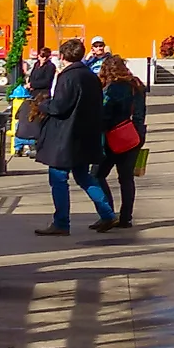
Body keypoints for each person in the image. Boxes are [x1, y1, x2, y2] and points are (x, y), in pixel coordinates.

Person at [33, 37, 116, 235]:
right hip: (85, 135)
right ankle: (107, 214)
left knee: (59, 178)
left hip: (65, 136)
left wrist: (43, 105)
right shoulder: (90, 76)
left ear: (62, 56)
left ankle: (61, 222)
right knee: (83, 176)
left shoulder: (68, 77)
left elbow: (60, 106)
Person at [96, 54, 149, 229]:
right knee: (126, 178)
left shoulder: (112, 88)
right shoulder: (137, 85)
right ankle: (126, 217)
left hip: (114, 136)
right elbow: (140, 113)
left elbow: (106, 114)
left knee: (97, 175)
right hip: (134, 136)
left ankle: (108, 214)